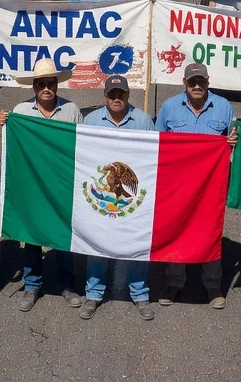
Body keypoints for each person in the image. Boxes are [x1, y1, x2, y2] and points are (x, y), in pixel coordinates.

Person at [0, 59, 81, 311]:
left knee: (62, 236)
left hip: (61, 185)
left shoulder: (72, 110)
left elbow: (83, 145)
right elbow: (12, 148)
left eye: (50, 83)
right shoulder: (21, 112)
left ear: (57, 85)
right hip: (32, 186)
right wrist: (5, 124)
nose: (46, 88)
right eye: (41, 84)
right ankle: (32, 284)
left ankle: (66, 285)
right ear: (34, 87)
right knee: (31, 236)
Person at [156, 63, 236, 309]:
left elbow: (234, 143)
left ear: (208, 82)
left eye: (201, 82)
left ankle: (212, 284)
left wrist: (231, 143)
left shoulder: (224, 107)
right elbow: (158, 144)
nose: (197, 86)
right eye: (192, 82)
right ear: (185, 83)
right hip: (177, 184)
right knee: (176, 230)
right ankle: (174, 282)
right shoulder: (169, 107)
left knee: (209, 231)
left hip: (210, 185)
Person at [80, 75, 157, 320]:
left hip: (133, 199)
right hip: (102, 198)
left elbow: (154, 158)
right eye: (111, 94)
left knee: (136, 243)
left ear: (128, 95)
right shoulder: (91, 120)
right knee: (97, 243)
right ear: (105, 96)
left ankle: (140, 293)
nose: (116, 98)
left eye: (120, 94)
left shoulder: (144, 121)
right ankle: (93, 294)